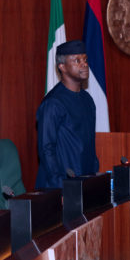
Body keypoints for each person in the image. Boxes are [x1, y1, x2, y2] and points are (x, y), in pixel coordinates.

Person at [35, 40, 100, 189]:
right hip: (59, 187)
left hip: (86, 182)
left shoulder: (87, 99)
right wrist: (60, 185)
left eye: (85, 59)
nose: (84, 64)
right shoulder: (53, 103)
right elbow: (46, 149)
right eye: (77, 60)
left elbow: (89, 143)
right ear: (62, 67)